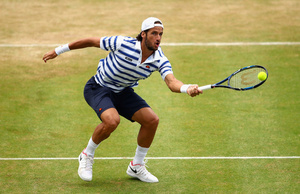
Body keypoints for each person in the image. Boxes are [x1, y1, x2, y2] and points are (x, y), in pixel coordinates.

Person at [43, 17, 202, 183]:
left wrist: (187, 88)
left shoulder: (159, 59)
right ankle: (86, 155)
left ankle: (136, 166)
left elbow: (171, 82)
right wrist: (58, 51)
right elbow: (91, 41)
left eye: (161, 34)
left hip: (122, 91)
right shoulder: (122, 43)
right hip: (98, 88)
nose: (158, 38)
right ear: (143, 34)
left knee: (151, 120)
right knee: (112, 121)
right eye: (154, 33)